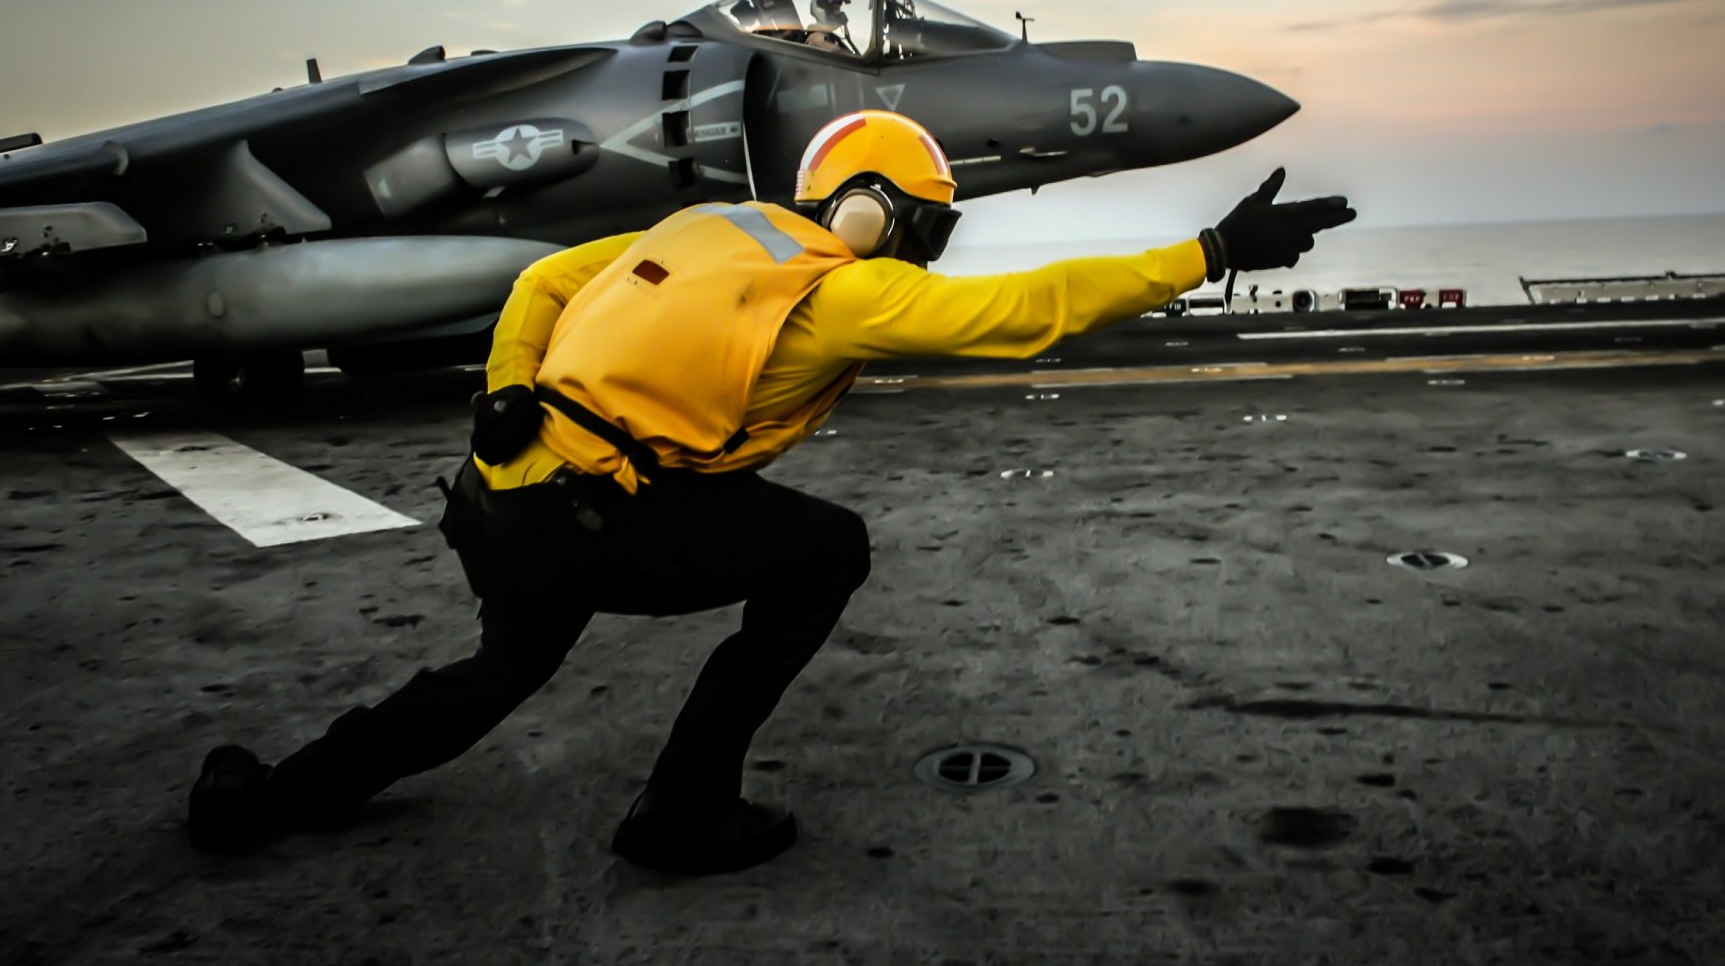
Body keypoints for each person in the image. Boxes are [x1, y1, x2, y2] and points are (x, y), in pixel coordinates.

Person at [186, 110, 1354, 873]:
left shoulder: (707, 226)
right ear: (869, 210)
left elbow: (543, 280)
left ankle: (274, 798)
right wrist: (1207, 254)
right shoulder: (841, 290)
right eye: (923, 229)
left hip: (500, 494)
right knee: (823, 551)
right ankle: (684, 807)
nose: (924, 256)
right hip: (595, 516)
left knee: (503, 668)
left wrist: (506, 394)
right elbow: (1025, 309)